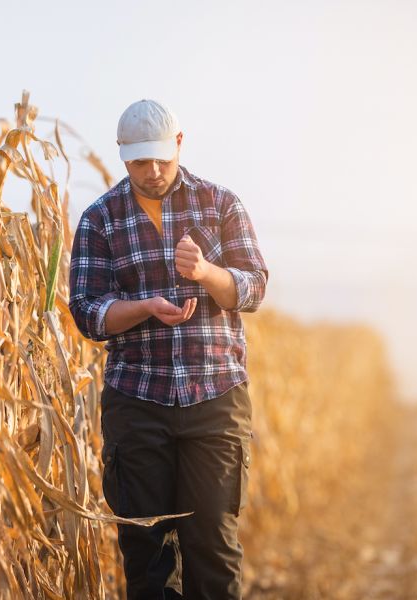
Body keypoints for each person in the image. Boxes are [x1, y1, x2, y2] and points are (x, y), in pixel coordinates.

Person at [69, 98, 268, 599]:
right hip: (137, 400)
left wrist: (205, 273)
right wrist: (144, 308)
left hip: (215, 397)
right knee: (147, 555)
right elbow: (88, 313)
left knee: (213, 549)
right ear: (122, 155)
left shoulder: (221, 204)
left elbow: (253, 288)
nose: (153, 172)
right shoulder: (100, 219)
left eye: (161, 159)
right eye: (139, 162)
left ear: (179, 144)